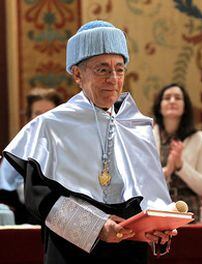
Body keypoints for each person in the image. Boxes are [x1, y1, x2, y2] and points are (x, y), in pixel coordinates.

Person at [1, 20, 175, 263]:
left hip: (129, 253)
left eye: (120, 69)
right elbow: (39, 198)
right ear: (77, 74)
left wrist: (156, 227)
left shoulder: (136, 126)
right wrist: (97, 227)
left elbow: (143, 197)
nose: (113, 79)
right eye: (102, 69)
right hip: (73, 252)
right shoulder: (50, 126)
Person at [0, 87, 63, 224]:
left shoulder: (70, 149)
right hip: (24, 226)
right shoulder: (17, 150)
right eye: (37, 113)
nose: (43, 119)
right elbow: (5, 193)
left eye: (49, 113)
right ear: (29, 118)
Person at [152, 83, 202, 217]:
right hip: (157, 209)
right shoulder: (147, 136)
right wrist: (167, 171)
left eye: (178, 98)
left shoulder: (199, 139)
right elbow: (141, 183)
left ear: (185, 107)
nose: (172, 101)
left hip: (190, 211)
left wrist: (181, 167)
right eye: (167, 98)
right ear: (159, 107)